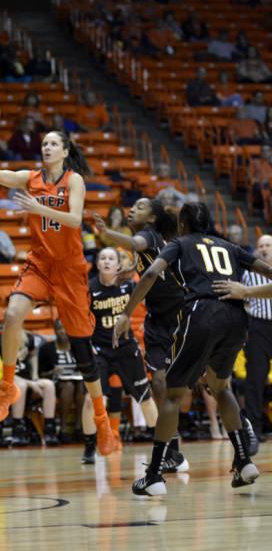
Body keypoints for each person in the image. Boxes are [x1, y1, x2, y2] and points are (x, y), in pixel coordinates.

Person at [0, 124, 116, 456]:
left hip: (71, 270)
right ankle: (7, 389)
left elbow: (75, 219)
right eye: (43, 143)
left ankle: (102, 421)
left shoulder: (73, 180)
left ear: (64, 151)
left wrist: (38, 209)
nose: (46, 148)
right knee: (12, 314)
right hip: (40, 264)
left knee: (83, 352)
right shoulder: (30, 177)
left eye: (52, 144)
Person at [113, 202, 272, 496]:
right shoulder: (230, 246)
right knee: (220, 387)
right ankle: (245, 461)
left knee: (173, 394)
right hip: (237, 317)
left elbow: (149, 276)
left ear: (183, 225)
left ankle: (154, 475)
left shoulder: (180, 244)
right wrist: (247, 292)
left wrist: (126, 313)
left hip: (202, 313)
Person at [94, 198, 188, 472]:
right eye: (133, 205)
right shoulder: (149, 239)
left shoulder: (147, 235)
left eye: (141, 206)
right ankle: (172, 448)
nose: (132, 208)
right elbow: (140, 258)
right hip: (158, 322)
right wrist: (130, 270)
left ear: (152, 218)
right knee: (158, 383)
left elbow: (135, 245)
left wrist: (108, 234)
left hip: (182, 317)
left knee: (205, 382)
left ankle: (240, 428)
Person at [81, 247, 158, 463]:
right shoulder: (89, 289)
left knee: (145, 398)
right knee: (91, 401)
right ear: (97, 264)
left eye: (111, 258)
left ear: (118, 265)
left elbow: (150, 301)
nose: (106, 261)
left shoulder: (129, 285)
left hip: (126, 349)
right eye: (102, 258)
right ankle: (89, 447)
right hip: (100, 351)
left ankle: (163, 447)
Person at [214, 235, 272, 451]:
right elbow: (238, 295)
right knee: (255, 381)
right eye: (261, 246)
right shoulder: (248, 274)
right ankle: (254, 431)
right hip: (258, 328)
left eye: (268, 245)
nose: (264, 249)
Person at [39, 319, 85, 443]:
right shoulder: (47, 348)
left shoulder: (77, 347)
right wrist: (51, 372)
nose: (62, 332)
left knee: (82, 384)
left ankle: (79, 426)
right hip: (56, 384)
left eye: (65, 329)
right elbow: (39, 374)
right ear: (55, 331)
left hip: (78, 380)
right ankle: (63, 428)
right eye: (59, 329)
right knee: (68, 386)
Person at [11, 331, 59, 446]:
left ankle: (49, 429)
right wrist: (16, 357)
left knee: (48, 385)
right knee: (21, 386)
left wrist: (35, 378)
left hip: (28, 381)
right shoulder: (1, 341)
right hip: (11, 382)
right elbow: (3, 373)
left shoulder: (29, 339)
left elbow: (34, 355)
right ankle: (18, 431)